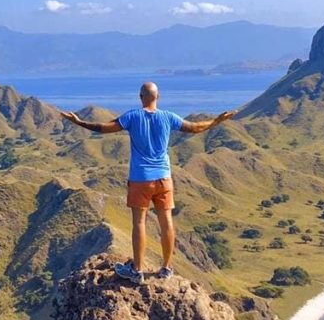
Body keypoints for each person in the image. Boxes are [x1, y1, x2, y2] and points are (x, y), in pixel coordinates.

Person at [60, 81, 235, 284]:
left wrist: (79, 121)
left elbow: (103, 128)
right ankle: (167, 268)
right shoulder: (168, 117)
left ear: (140, 97)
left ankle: (137, 270)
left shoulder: (132, 116)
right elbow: (195, 128)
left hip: (140, 179)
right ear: (158, 97)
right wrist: (216, 121)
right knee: (167, 221)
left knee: (140, 223)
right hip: (164, 178)